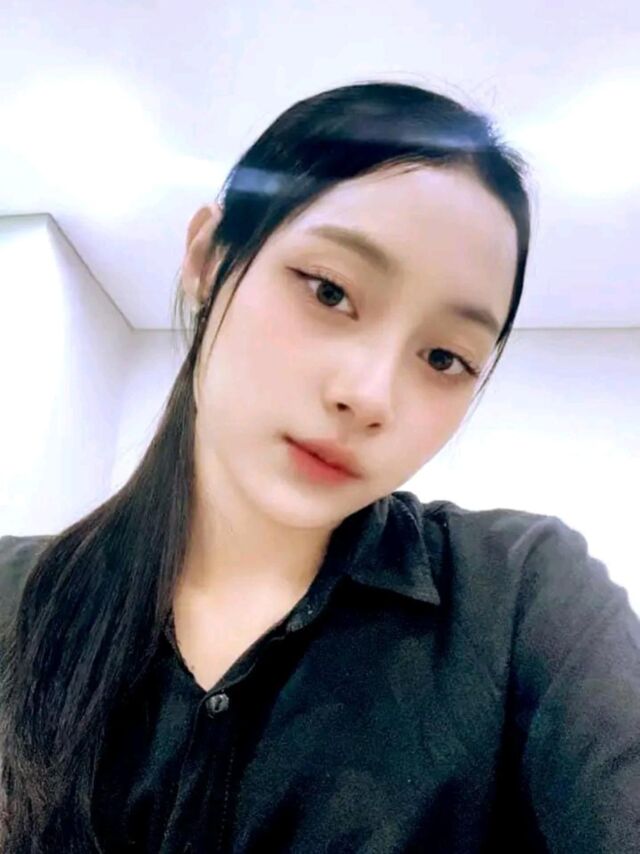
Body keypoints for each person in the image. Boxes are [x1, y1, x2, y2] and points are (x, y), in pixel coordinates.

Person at [0, 80, 638, 854]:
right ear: (209, 258)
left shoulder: (523, 599)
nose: (369, 396)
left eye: (444, 357)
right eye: (329, 291)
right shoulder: (12, 600)